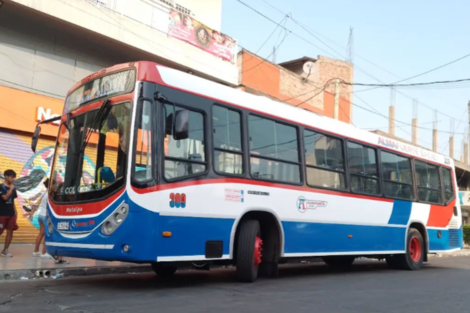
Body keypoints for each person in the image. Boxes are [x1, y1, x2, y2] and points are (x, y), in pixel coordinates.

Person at [26, 179, 53, 259]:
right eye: (55, 184)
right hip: (45, 216)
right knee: (46, 235)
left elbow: (37, 205)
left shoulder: (43, 194)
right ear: (51, 185)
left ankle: (36, 251)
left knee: (41, 233)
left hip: (40, 215)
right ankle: (44, 252)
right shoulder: (50, 195)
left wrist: (32, 212)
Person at [0, 170, 19, 257]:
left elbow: (12, 200)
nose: (13, 179)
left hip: (11, 214)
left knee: (10, 232)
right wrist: (11, 189)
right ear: (6, 176)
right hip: (2, 213)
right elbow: (5, 198)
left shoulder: (13, 188)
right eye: (12, 177)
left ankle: (5, 250)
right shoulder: (1, 187)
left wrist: (15, 210)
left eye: (14, 177)